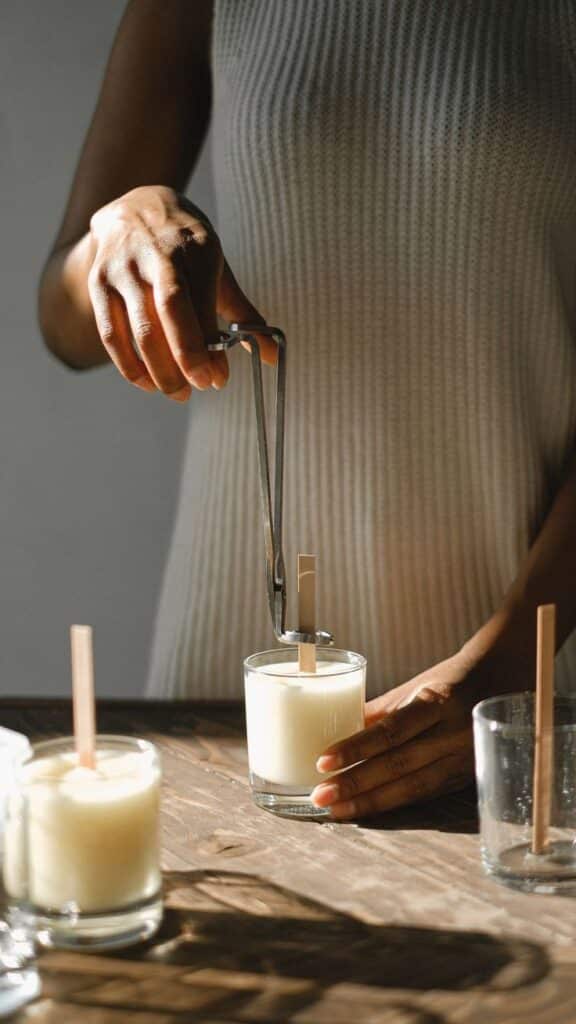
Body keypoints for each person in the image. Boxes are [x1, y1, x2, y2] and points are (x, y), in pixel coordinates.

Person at [39, 0, 576, 820]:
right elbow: (63, 325)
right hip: (226, 677)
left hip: (518, 685)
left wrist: (508, 663)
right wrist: (117, 231)